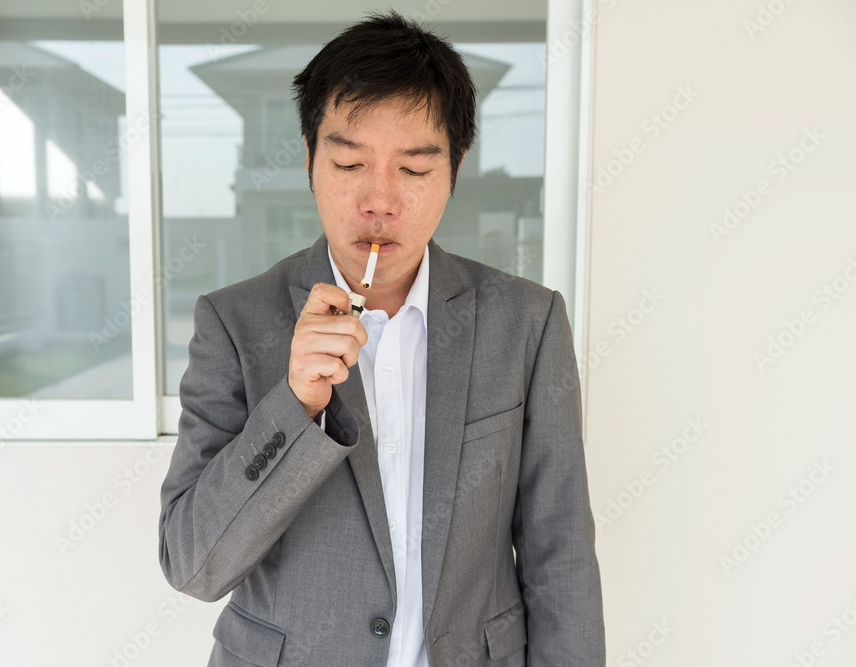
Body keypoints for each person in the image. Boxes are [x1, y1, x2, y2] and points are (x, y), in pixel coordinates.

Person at [158, 11, 604, 666]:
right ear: (310, 160)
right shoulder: (234, 322)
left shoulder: (526, 322)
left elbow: (559, 555)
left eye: (415, 170)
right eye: (348, 162)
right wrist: (294, 406)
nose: (379, 200)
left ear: (454, 170)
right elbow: (193, 564)